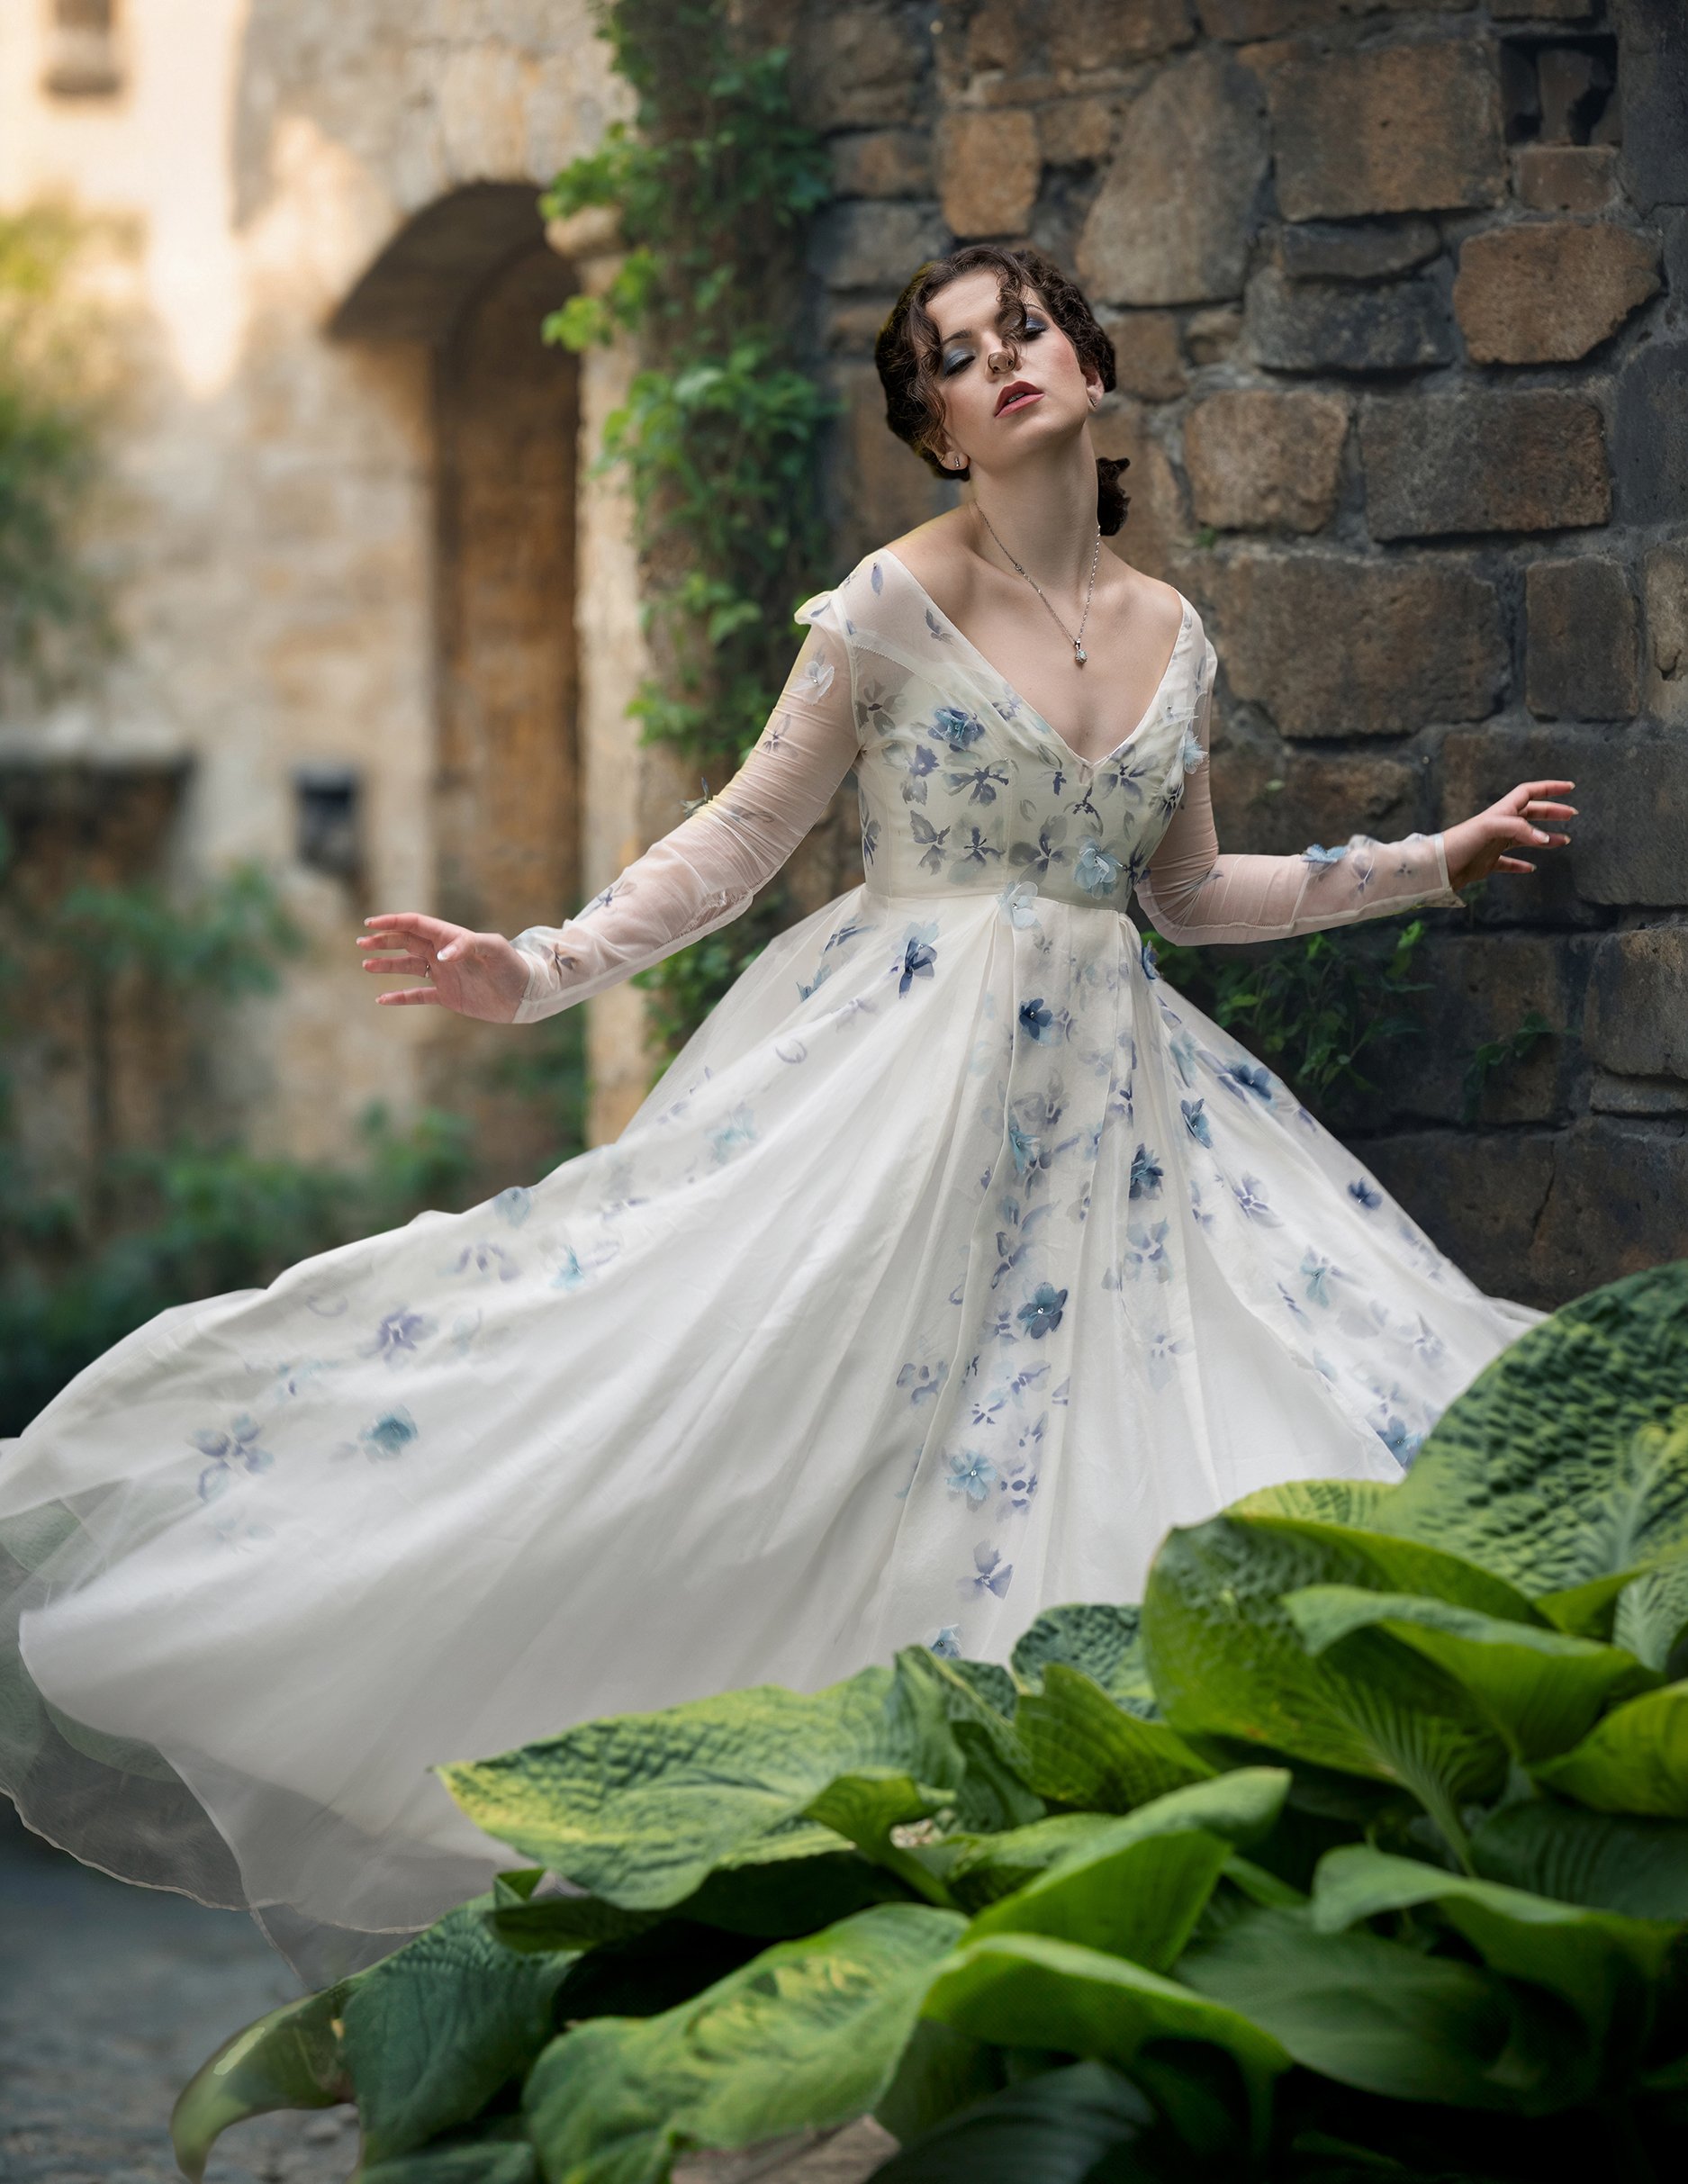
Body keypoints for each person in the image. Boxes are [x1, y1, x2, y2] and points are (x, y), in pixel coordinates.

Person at [0, 243, 1573, 1985]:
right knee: (733, 1423)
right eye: (957, 355)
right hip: (897, 1090)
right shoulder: (895, 599)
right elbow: (746, 834)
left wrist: (1431, 859)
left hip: (1116, 1113)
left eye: (1027, 327)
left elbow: (1189, 897)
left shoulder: (1175, 633)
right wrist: (538, 967)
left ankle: (1096, 1907)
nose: (1004, 359)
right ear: (941, 428)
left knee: (1181, 1431)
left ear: (1089, 360)